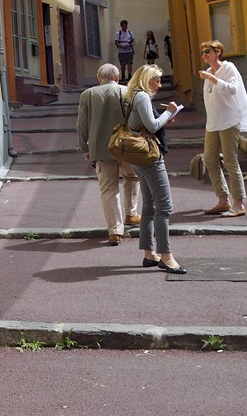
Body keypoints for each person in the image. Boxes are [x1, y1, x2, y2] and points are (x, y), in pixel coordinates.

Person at [123, 65, 186, 273]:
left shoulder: (133, 95)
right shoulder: (141, 97)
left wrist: (167, 116)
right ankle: (166, 256)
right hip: (150, 158)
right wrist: (168, 112)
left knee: (149, 207)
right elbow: (151, 126)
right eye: (156, 80)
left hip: (139, 157)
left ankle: (149, 253)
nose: (159, 85)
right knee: (164, 207)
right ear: (147, 79)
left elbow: (146, 123)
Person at [76, 63, 141, 245]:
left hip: (100, 147)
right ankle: (131, 213)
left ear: (99, 78)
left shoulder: (87, 95)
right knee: (132, 177)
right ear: (118, 77)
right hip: (126, 145)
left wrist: (84, 147)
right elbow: (134, 119)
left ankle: (115, 231)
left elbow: (81, 124)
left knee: (108, 189)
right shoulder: (127, 91)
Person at [198, 40, 247, 216]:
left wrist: (212, 79)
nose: (204, 55)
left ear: (218, 52)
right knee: (209, 159)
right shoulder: (208, 72)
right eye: (202, 53)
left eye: (207, 51)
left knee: (231, 161)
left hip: (230, 120)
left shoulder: (228, 68)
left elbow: (232, 89)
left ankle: (238, 204)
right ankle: (223, 200)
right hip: (213, 122)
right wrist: (210, 76)